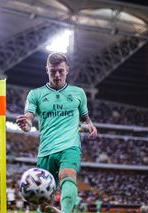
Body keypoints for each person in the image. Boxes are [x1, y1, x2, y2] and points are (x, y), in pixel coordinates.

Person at [16, 52, 97, 213]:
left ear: (67, 69)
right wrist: (25, 125)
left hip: (70, 146)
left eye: (61, 70)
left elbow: (84, 117)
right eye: (53, 71)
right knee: (44, 202)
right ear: (47, 70)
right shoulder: (36, 94)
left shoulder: (79, 93)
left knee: (67, 175)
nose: (57, 74)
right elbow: (28, 120)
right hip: (46, 150)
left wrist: (90, 125)